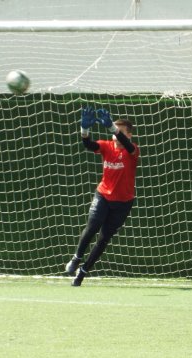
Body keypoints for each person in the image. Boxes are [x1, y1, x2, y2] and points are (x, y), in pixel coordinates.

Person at [65, 106, 140, 286]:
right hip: (103, 195)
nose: (116, 135)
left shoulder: (133, 150)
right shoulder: (106, 146)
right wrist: (84, 130)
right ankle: (76, 258)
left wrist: (113, 127)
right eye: (115, 131)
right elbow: (89, 145)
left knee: (104, 238)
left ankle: (82, 273)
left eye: (121, 132)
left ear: (129, 135)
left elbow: (127, 145)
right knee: (92, 227)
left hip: (123, 202)